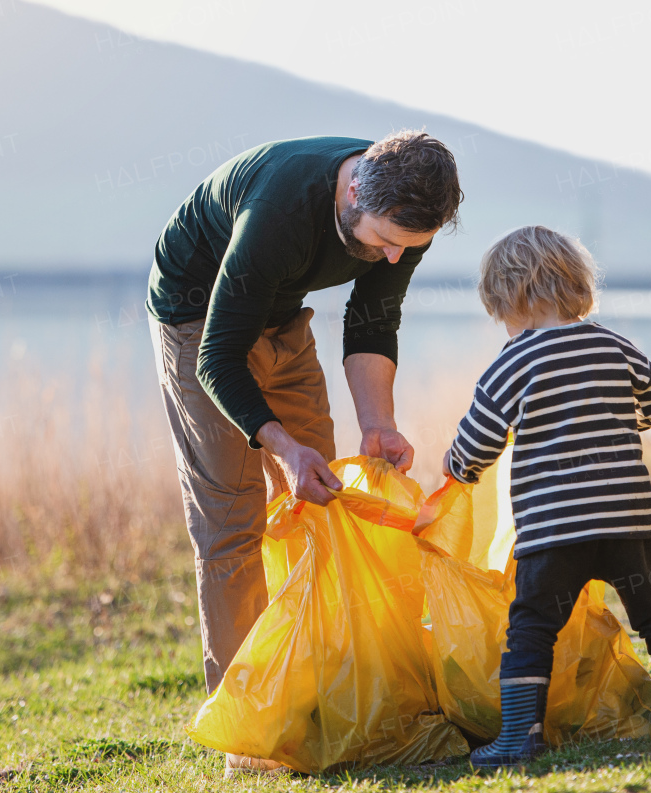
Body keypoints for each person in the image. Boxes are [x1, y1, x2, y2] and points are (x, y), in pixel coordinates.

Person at [146, 132, 463, 775]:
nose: (395, 255)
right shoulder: (282, 209)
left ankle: (315, 689)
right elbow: (217, 358)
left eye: (410, 246)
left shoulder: (405, 214)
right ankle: (248, 728)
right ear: (351, 193)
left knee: (319, 502)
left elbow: (374, 321)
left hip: (279, 312)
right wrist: (283, 447)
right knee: (231, 524)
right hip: (195, 318)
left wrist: (378, 424)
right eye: (385, 241)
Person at [442, 225, 651, 767]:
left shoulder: (511, 363)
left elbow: (475, 444)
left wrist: (457, 470)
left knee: (532, 628)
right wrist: (616, 421)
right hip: (629, 522)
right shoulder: (610, 342)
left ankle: (520, 737)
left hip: (553, 531)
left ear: (507, 298)